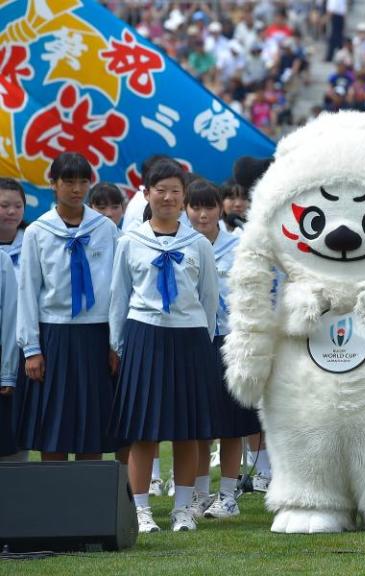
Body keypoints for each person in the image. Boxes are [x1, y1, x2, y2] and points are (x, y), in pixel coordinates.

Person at [109, 159, 220, 533]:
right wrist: (119, 345)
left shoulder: (198, 245)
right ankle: (141, 511)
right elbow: (119, 297)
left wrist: (199, 340)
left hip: (189, 338)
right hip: (144, 335)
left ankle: (183, 510)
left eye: (175, 191)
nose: (168, 197)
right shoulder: (129, 242)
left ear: (184, 197)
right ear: (146, 194)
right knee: (144, 430)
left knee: (187, 430)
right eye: (161, 190)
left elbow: (208, 298)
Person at [17, 152, 119, 462]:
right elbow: (28, 290)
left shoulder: (105, 229)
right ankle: (55, 500)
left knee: (93, 421)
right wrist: (31, 349)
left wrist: (117, 343)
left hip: (97, 334)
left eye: (83, 182)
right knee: (55, 422)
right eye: (68, 182)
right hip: (54, 335)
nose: (76, 189)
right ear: (53, 185)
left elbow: (118, 289)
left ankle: (91, 500)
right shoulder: (38, 231)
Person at [182, 179, 260, 520]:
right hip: (194, 340)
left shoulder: (240, 246)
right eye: (195, 207)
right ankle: (200, 494)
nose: (202, 215)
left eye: (209, 207)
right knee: (200, 424)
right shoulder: (181, 244)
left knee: (230, 423)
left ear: (220, 209)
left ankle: (228, 496)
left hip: (230, 341)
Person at [0, 179, 24, 463]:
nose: (10, 211)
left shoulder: (32, 241)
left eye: (17, 205)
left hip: (18, 352)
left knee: (13, 434)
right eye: (4, 205)